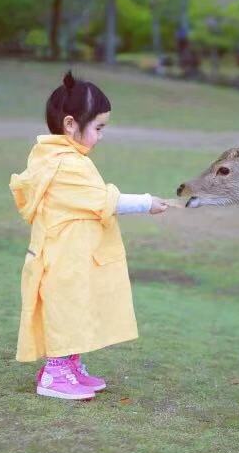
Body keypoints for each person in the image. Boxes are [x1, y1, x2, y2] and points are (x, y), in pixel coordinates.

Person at [9, 71, 168, 400]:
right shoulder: (66, 165)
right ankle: (53, 374)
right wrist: (146, 203)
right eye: (99, 127)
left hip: (74, 255)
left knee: (77, 307)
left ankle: (69, 364)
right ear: (70, 125)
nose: (101, 135)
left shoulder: (60, 158)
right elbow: (103, 200)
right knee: (64, 310)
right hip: (62, 257)